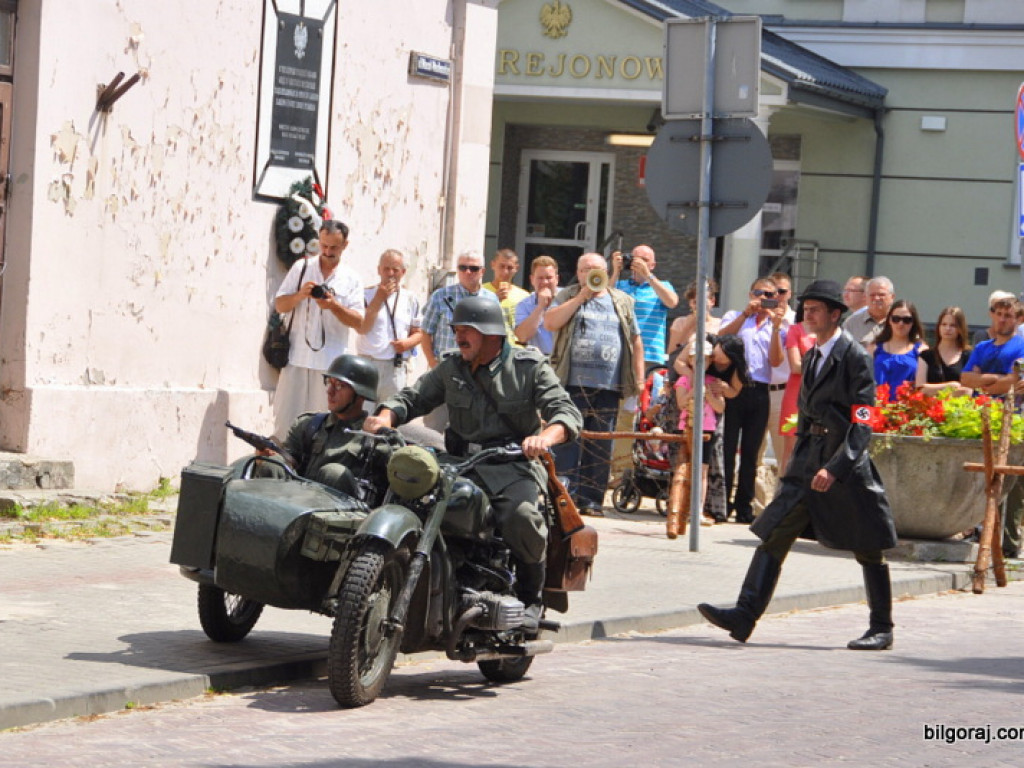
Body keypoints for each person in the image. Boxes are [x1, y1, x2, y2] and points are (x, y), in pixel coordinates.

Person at [698, 280, 898, 651]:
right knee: (774, 533)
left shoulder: (855, 356)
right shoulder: (812, 353)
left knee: (868, 545)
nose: (809, 313)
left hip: (843, 465)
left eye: (817, 308)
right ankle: (744, 615)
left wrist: (836, 468)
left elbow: (863, 420)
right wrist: (799, 459)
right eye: (806, 308)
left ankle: (882, 626)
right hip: (808, 460)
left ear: (836, 315)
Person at [363, 296, 582, 631]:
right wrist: (385, 416)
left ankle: (530, 597)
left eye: (467, 330)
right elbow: (414, 397)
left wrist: (545, 438)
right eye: (456, 329)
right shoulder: (452, 367)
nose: (459, 336)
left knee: (521, 516)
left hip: (511, 465)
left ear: (492, 335)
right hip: (460, 463)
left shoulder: (528, 367)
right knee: (407, 492)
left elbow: (565, 413)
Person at [544, 252, 644, 516]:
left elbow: (635, 340)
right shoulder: (568, 295)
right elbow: (550, 322)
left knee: (600, 446)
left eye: (597, 269)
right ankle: (565, 498)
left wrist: (640, 379)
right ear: (578, 274)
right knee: (567, 440)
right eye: (586, 269)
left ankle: (591, 500)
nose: (591, 273)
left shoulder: (621, 300)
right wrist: (581, 297)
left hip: (608, 385)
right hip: (571, 383)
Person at [272, 220, 364, 440]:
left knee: (322, 430)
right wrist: (300, 295)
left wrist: (333, 305)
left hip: (329, 366)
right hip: (296, 358)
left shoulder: (351, 278)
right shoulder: (301, 268)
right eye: (323, 246)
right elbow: (280, 305)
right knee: (285, 425)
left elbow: (358, 322)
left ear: (345, 246)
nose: (327, 252)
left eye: (333, 247)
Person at [251, 354, 385, 497]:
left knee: (334, 473)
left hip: (339, 514)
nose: (330, 391)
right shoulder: (308, 425)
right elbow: (289, 461)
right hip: (294, 503)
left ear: (360, 394)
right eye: (329, 382)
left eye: (339, 385)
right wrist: (267, 455)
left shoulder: (373, 438)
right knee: (272, 462)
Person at [717, 277, 788, 524]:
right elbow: (721, 339)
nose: (764, 298)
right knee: (726, 447)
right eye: (760, 293)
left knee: (751, 451)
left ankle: (744, 505)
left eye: (770, 294)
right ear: (750, 294)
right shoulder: (735, 316)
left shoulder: (777, 325)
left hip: (760, 390)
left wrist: (777, 327)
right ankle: (721, 503)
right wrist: (746, 314)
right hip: (735, 386)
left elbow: (777, 361)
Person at [960, 294, 1024, 560]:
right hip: (983, 418)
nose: (1002, 319)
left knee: (1012, 481)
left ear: (1018, 319)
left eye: (1008, 315)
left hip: (1015, 418)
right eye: (998, 314)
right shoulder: (983, 346)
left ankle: (1008, 542)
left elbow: (1015, 382)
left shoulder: (1021, 345)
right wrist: (995, 380)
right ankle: (982, 532)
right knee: (984, 478)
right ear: (992, 315)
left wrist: (983, 380)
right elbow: (965, 378)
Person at [419, 250, 499, 432]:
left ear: (482, 271)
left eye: (473, 268)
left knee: (472, 430)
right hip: (445, 373)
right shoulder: (441, 296)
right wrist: (433, 363)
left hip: (478, 376)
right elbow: (426, 332)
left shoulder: (491, 300)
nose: (468, 272)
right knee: (434, 429)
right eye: (463, 268)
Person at [667, 337, 727, 535]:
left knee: (702, 471)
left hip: (706, 429)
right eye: (697, 358)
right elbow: (681, 402)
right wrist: (694, 390)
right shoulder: (684, 380)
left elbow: (720, 407)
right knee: (685, 469)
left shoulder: (713, 382)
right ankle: (681, 508)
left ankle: (698, 511)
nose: (702, 362)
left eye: (706, 359)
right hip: (687, 427)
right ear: (690, 360)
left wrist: (709, 393)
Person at [355, 249, 423, 404]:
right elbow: (361, 328)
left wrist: (407, 343)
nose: (390, 273)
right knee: (364, 415)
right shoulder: (365, 295)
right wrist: (379, 299)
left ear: (403, 272)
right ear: (379, 270)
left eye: (395, 270)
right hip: (368, 364)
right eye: (386, 269)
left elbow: (418, 332)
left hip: (395, 367)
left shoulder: (410, 298)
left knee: (390, 415)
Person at [611, 244, 679, 368]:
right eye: (635, 258)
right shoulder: (620, 284)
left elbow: (672, 302)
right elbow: (604, 300)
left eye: (645, 260)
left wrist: (648, 275)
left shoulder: (662, 286)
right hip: (621, 353)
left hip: (650, 355)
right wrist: (615, 271)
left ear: (653, 265)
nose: (639, 262)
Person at [870, 300, 926, 401]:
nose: (900, 323)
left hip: (908, 409)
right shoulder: (874, 348)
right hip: (877, 408)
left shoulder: (921, 350)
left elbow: (923, 387)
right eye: (896, 319)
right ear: (889, 321)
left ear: (913, 323)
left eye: (907, 320)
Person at [779, 316, 815, 473]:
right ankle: (786, 492)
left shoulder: (831, 330)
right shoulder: (795, 330)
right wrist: (825, 367)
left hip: (822, 391)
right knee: (791, 447)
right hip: (797, 392)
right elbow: (795, 366)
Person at [915, 306, 972, 397]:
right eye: (944, 324)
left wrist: (933, 390)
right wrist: (951, 386)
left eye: (953, 325)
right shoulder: (926, 356)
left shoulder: (969, 356)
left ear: (960, 329)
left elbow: (968, 391)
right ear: (938, 327)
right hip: (931, 409)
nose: (947, 328)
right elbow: (920, 389)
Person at [483, 248, 530, 345]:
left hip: (515, 348)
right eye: (501, 266)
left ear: (516, 268)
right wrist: (494, 300)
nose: (505, 272)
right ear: (493, 265)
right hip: (489, 347)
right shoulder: (481, 292)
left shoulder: (524, 296)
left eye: (509, 268)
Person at [514, 255, 559, 355]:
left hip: (563, 361)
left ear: (557, 279)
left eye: (549, 277)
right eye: (540, 278)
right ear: (532, 279)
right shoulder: (524, 305)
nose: (545, 282)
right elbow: (522, 336)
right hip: (538, 360)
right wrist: (540, 307)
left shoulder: (567, 299)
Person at [666, 278, 721, 356]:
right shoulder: (680, 322)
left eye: (703, 301)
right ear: (690, 303)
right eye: (695, 302)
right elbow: (671, 353)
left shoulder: (720, 324)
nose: (699, 306)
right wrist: (688, 327)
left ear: (712, 301)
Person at [842, 276, 894, 347]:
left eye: (881, 294)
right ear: (866, 297)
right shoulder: (851, 323)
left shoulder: (902, 320)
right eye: (872, 295)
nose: (876, 298)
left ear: (892, 297)